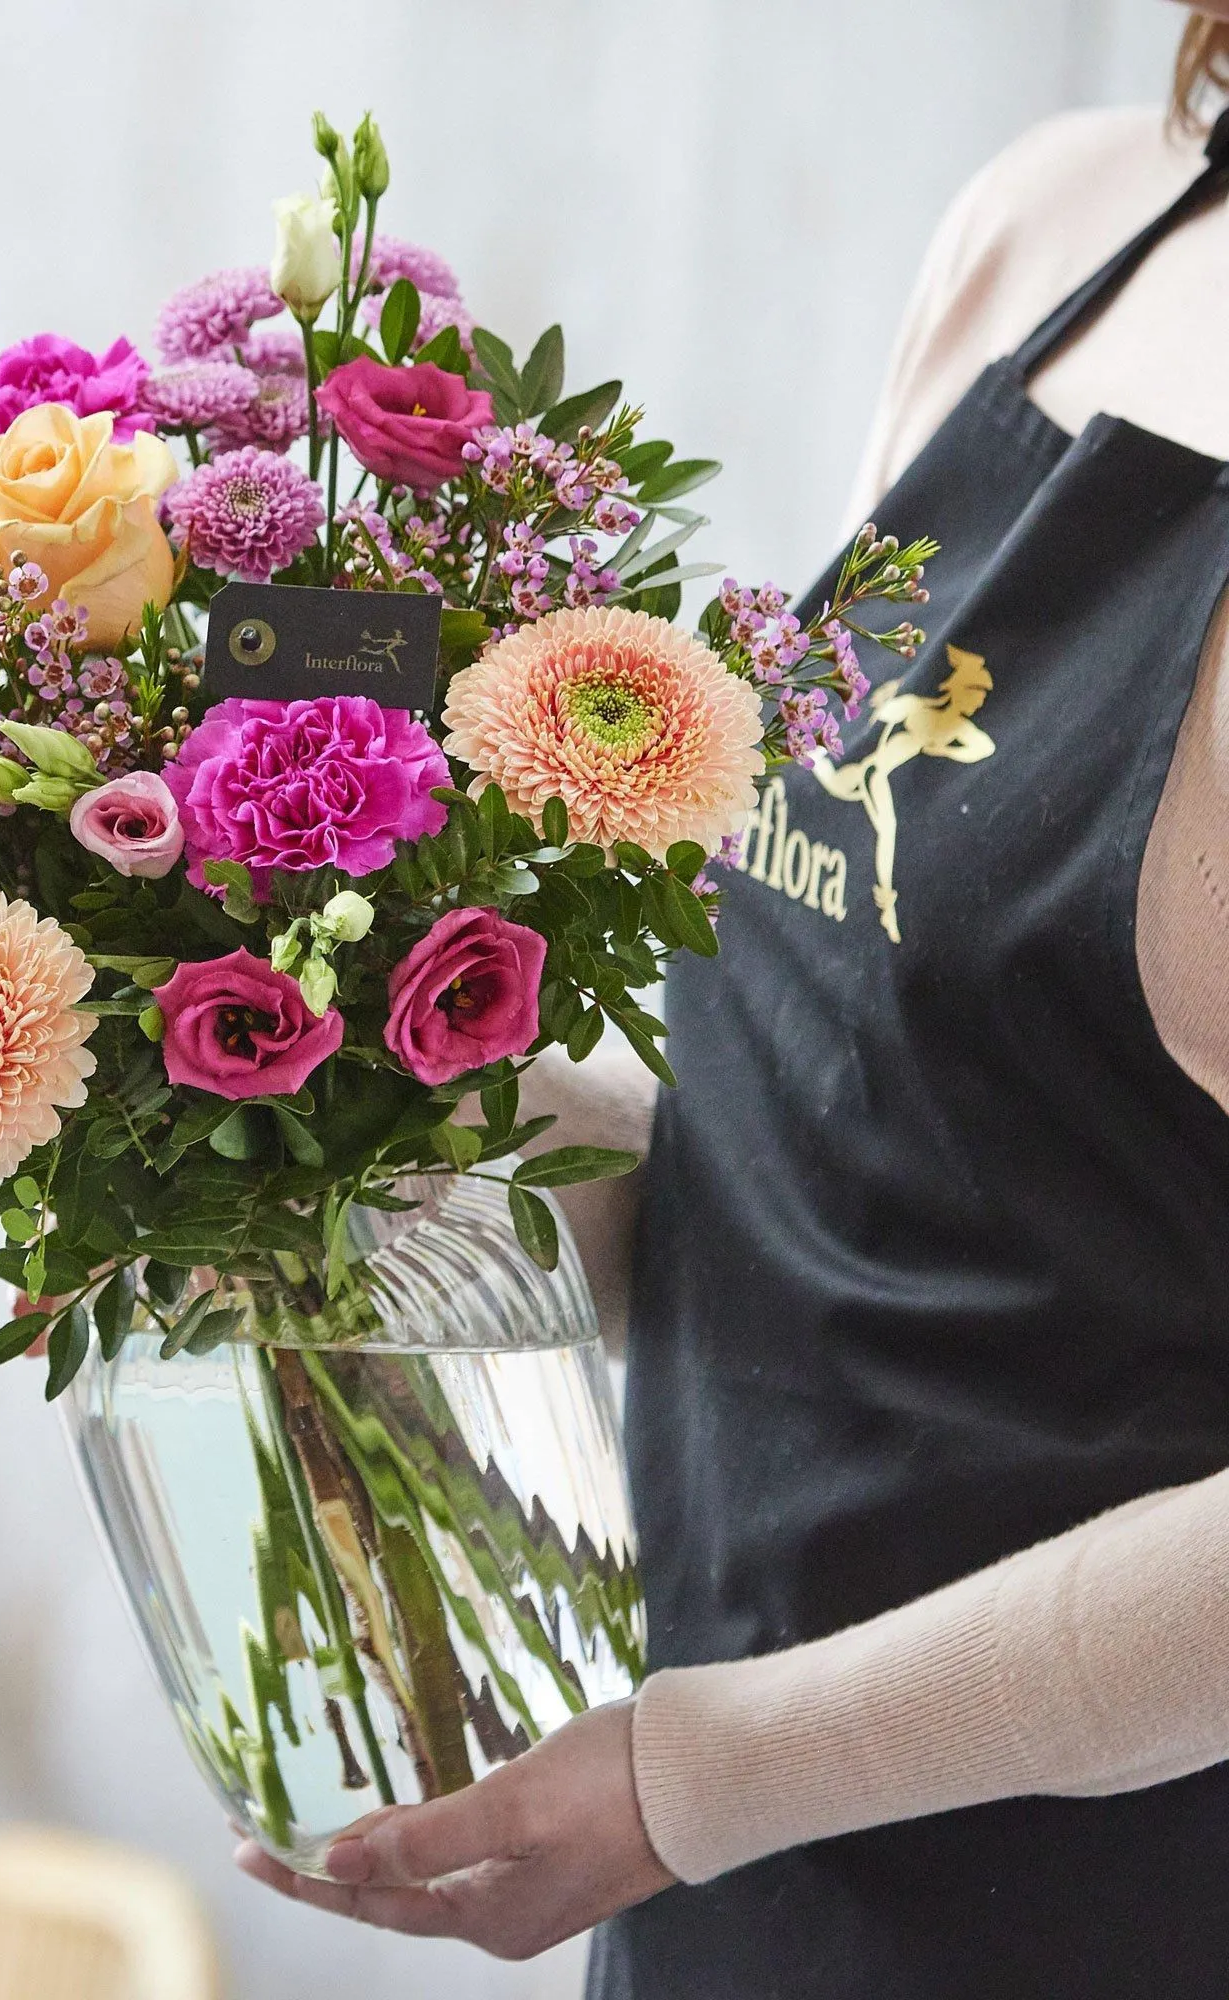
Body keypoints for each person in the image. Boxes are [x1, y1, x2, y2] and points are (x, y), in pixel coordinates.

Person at [235, 11, 1229, 1991]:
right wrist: (349, 1132)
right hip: (726, 1881)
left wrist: (697, 1780)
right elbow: (843, 1131)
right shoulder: (1055, 226)